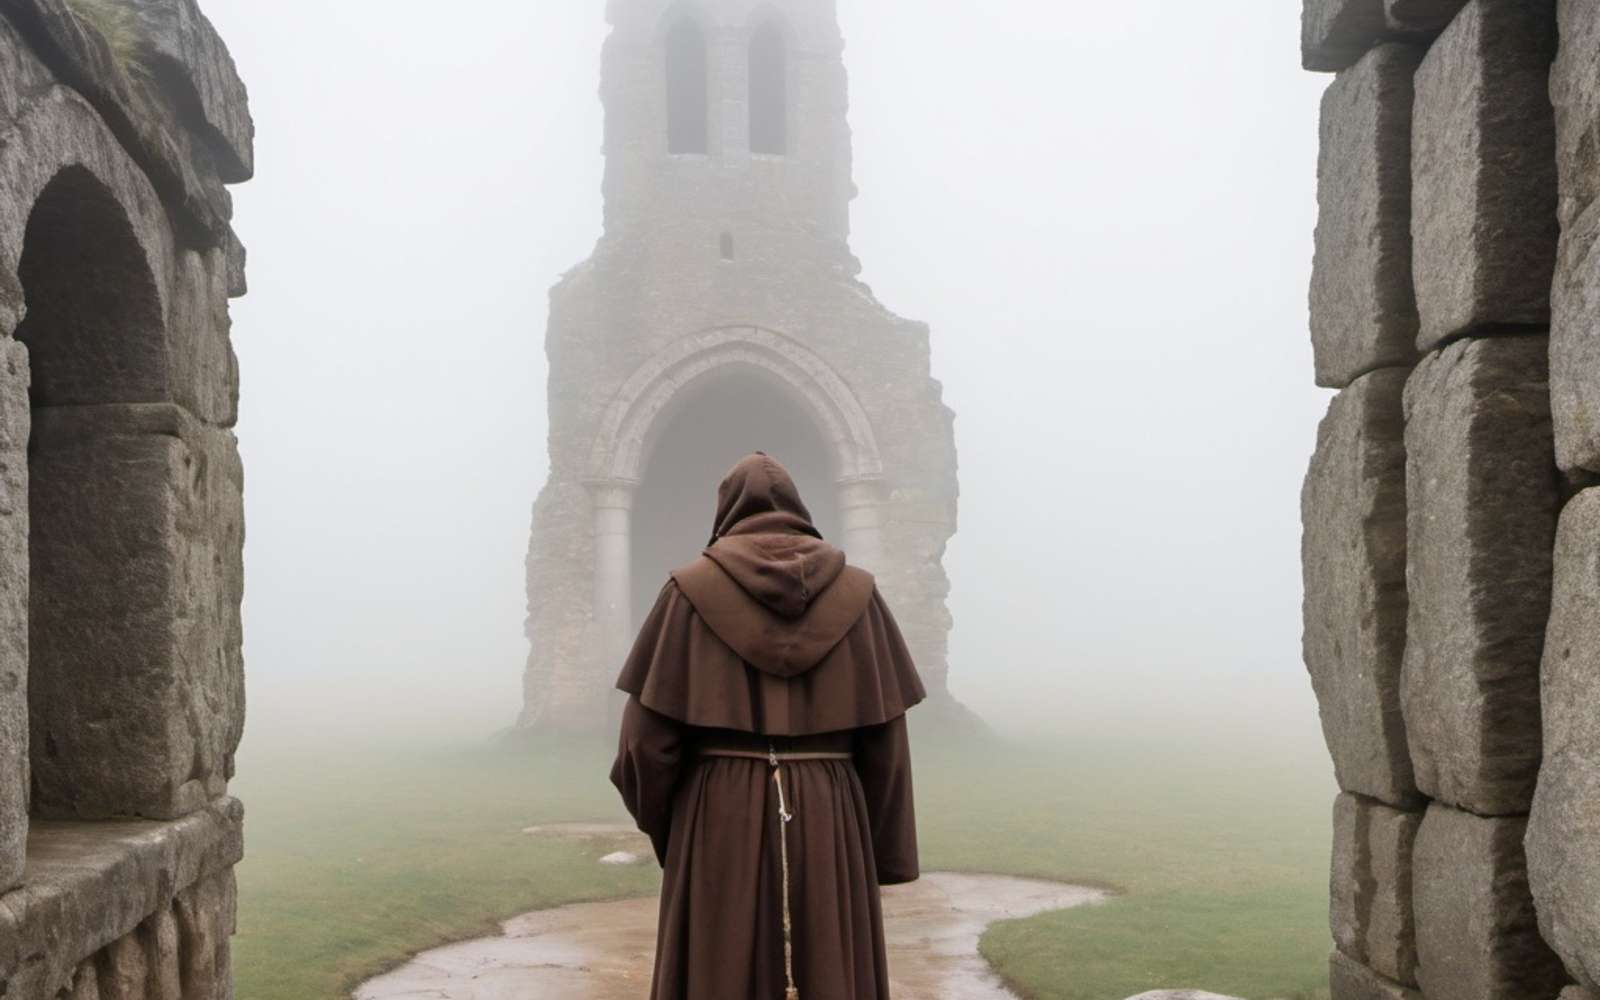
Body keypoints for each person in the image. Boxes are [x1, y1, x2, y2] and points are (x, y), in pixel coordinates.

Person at [610, 452, 924, 1000]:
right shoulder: (861, 596)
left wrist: (677, 829)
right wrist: (878, 850)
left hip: (718, 812)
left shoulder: (686, 595)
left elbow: (644, 746)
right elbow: (888, 748)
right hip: (830, 813)